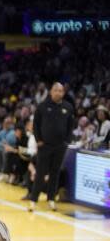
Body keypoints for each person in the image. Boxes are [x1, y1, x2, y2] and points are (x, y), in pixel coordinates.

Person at [28, 82, 74, 211]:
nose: (58, 92)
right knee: (40, 173)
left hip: (60, 146)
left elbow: (71, 126)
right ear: (51, 92)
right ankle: (33, 200)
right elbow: (36, 124)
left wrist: (67, 141)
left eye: (60, 90)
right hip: (45, 146)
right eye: (56, 90)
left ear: (63, 93)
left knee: (55, 173)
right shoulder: (42, 106)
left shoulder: (68, 107)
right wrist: (38, 140)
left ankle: (51, 200)